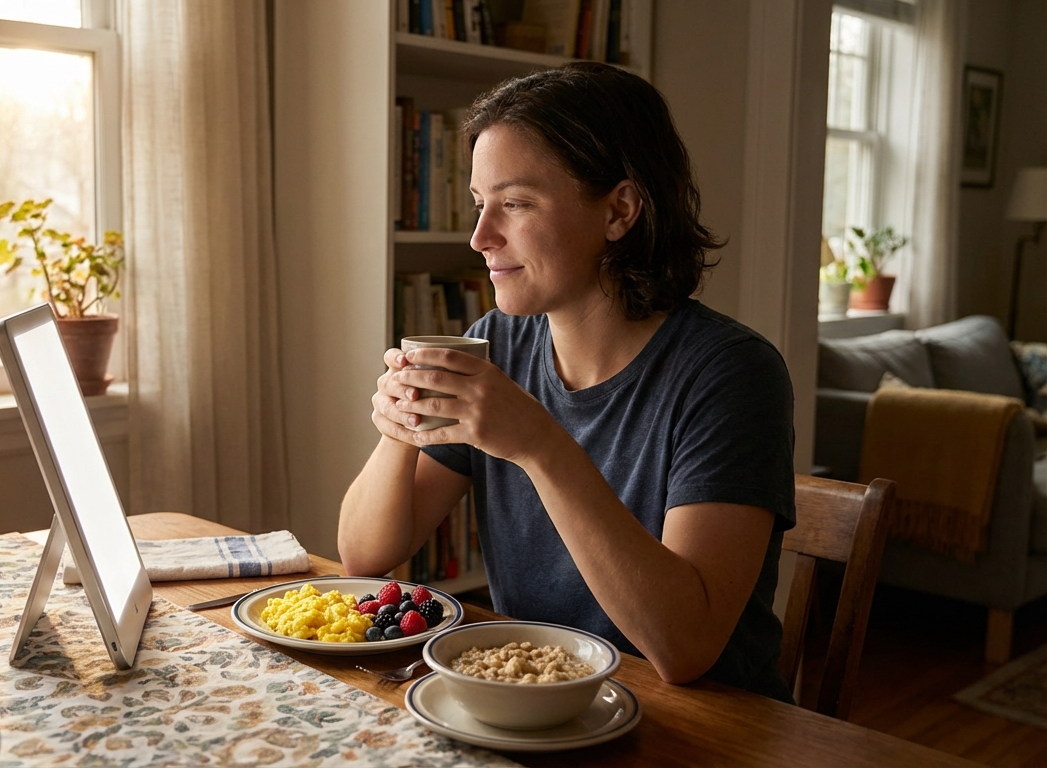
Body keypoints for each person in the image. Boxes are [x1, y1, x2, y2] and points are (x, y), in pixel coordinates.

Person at [337, 61, 796, 702]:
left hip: (704, 723)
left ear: (619, 210)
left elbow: (685, 647)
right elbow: (365, 557)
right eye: (478, 204)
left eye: (516, 204)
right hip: (532, 700)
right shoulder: (493, 346)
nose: (480, 237)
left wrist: (539, 444)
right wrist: (399, 429)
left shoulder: (729, 373)